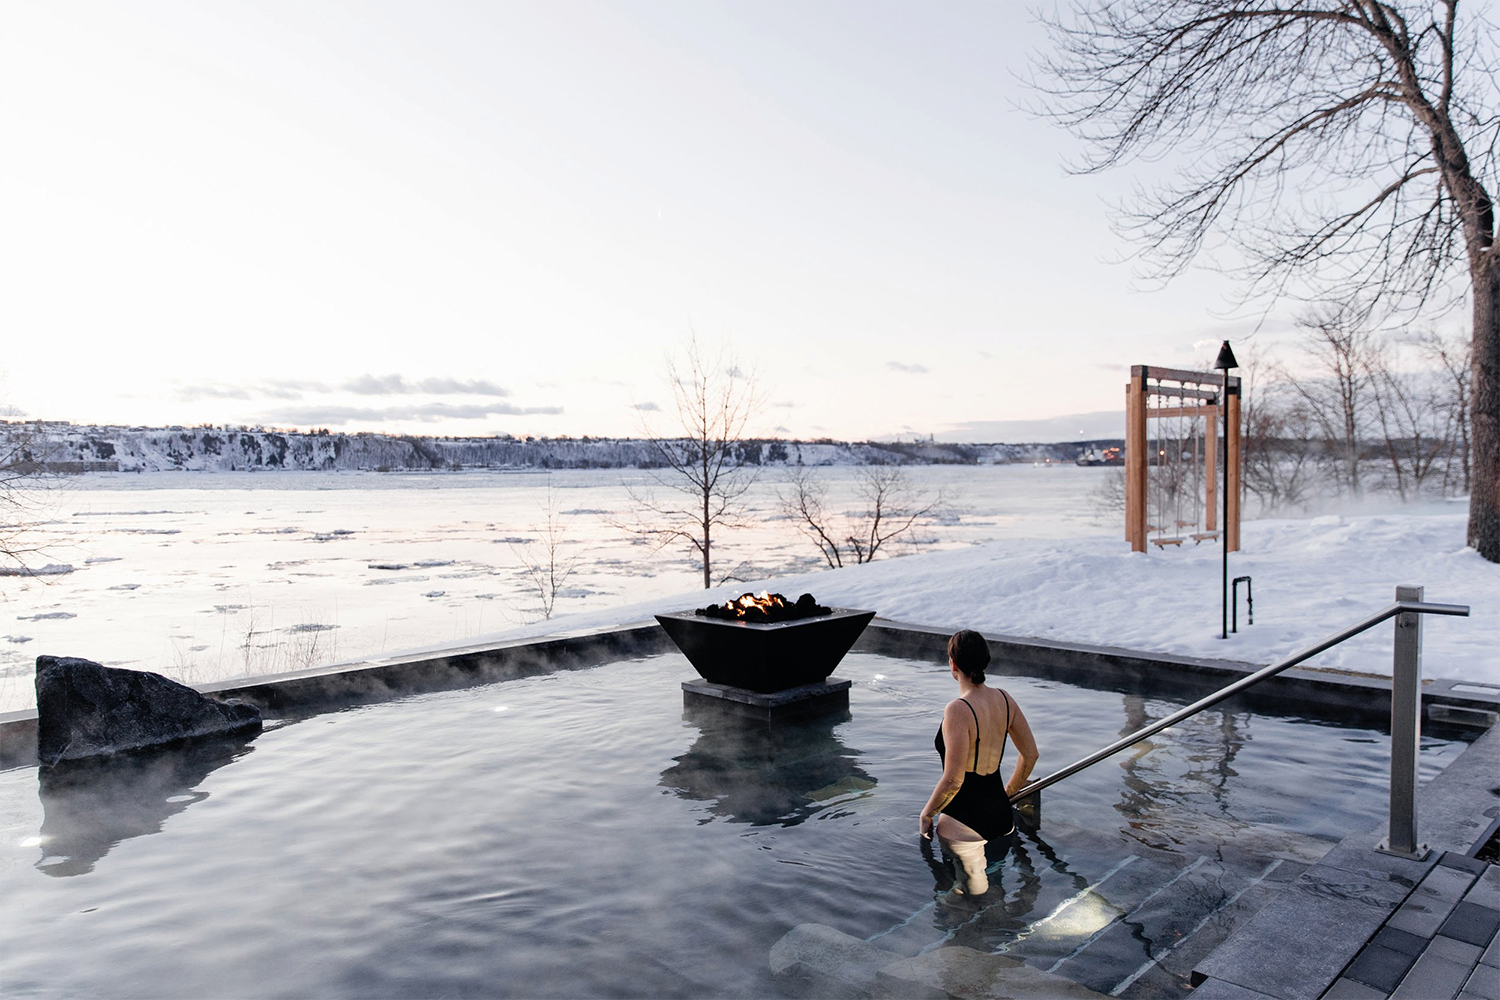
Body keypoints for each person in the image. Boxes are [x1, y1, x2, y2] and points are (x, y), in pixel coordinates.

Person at [919, 629, 1038, 895]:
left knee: (966, 898)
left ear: (953, 664)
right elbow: (1030, 755)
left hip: (964, 823)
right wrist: (1009, 792)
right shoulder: (1005, 699)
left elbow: (953, 779)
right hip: (1001, 817)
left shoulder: (957, 709)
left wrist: (927, 814)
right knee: (993, 887)